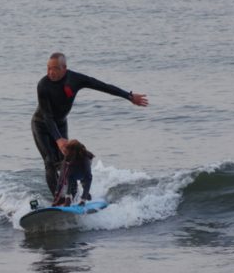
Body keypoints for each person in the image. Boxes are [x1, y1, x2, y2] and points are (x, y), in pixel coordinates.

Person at [32, 52, 148, 197]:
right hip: (41, 125)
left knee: (66, 161)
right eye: (48, 68)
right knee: (49, 161)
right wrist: (58, 139)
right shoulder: (43, 85)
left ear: (64, 68)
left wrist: (129, 96)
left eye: (54, 68)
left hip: (61, 124)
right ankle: (58, 198)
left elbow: (102, 86)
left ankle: (72, 196)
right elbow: (48, 117)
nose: (50, 72)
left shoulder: (75, 79)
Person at [53, 139, 94, 207]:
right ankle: (68, 198)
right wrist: (56, 199)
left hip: (83, 170)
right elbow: (61, 180)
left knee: (84, 180)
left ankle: (86, 196)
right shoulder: (67, 158)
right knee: (69, 176)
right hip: (73, 168)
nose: (65, 153)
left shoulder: (85, 159)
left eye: (67, 151)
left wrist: (83, 200)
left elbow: (89, 178)